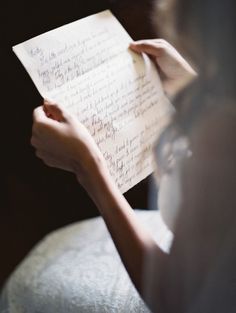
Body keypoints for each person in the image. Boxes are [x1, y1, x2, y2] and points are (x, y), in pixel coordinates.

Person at [1, 0, 236, 312]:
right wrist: (194, 86)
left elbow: (176, 298)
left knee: (27, 288)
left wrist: (88, 167)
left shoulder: (219, 149)